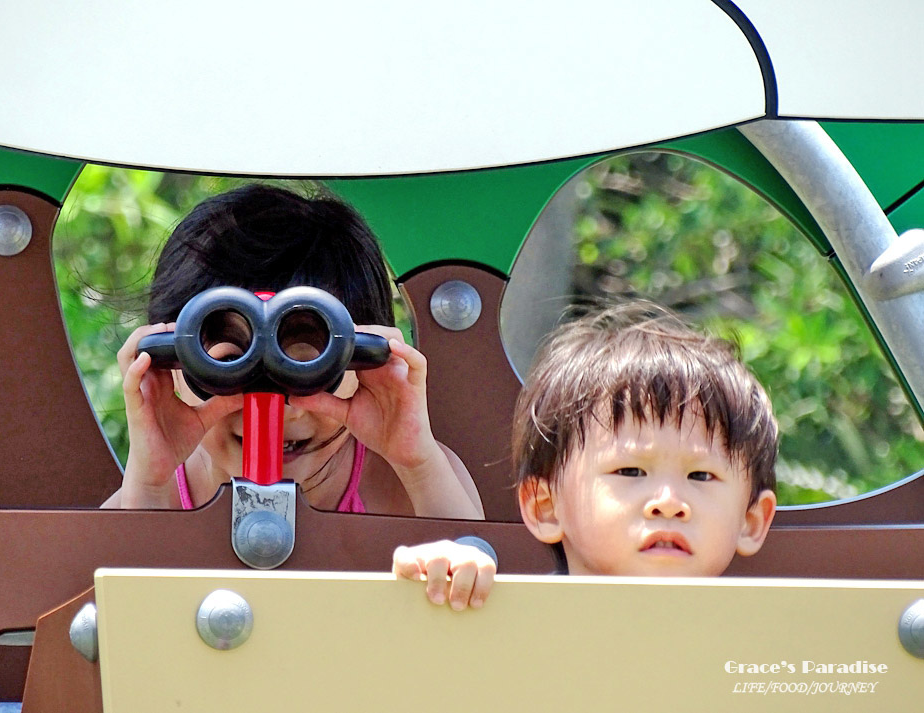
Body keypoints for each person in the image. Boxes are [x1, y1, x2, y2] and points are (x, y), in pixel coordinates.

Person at [103, 183, 483, 519]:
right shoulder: (152, 492)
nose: (276, 404)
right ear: (170, 363)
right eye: (228, 364)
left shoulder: (409, 482)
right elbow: (111, 598)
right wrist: (149, 485)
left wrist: (416, 462)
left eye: (308, 365)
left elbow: (479, 583)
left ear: (366, 362)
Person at [393, 301, 777, 608]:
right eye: (630, 471)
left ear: (751, 520)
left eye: (700, 476)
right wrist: (449, 579)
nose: (669, 504)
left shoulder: (773, 646)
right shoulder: (517, 623)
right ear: (546, 507)